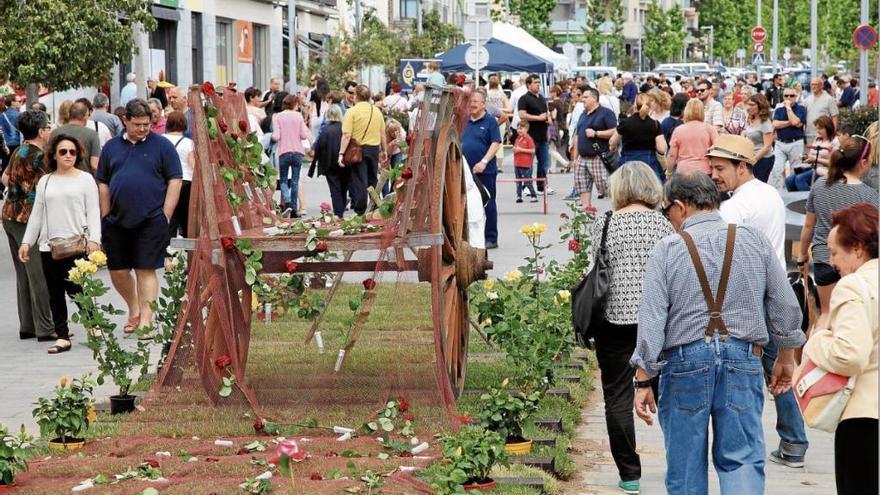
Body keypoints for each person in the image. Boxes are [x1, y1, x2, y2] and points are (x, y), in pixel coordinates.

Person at [631, 171, 805, 495]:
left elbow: (652, 318)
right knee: (741, 460)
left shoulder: (667, 249)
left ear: (680, 207)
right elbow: (784, 304)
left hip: (684, 364)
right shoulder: (754, 240)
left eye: (667, 209)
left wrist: (643, 379)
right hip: (743, 358)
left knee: (684, 466)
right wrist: (785, 356)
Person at [708, 134, 810, 468]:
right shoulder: (767, 193)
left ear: (742, 166)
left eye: (720, 168)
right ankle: (793, 441)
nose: (714, 175)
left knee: (768, 372)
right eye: (712, 168)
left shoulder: (735, 206)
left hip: (754, 297)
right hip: (776, 289)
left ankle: (792, 441)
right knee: (779, 369)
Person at [591, 162, 674, 495]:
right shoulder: (664, 224)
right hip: (658, 320)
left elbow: (594, 268)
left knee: (617, 397)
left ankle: (629, 473)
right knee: (670, 394)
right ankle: (678, 462)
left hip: (613, 320)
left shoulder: (605, 222)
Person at [803, 202, 878, 495]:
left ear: (858, 247)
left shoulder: (853, 286)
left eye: (834, 252)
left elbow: (850, 354)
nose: (831, 262)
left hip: (864, 416)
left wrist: (817, 340)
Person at [96, 99, 183, 335]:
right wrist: (105, 216)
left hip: (151, 218)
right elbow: (103, 183)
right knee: (118, 270)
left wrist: (166, 214)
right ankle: (133, 308)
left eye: (147, 124)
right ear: (126, 120)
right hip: (116, 219)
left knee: (146, 269)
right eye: (138, 124)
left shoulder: (162, 146)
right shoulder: (111, 147)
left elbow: (175, 179)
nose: (143, 128)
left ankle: (146, 318)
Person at [19, 134, 102, 354]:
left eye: (72, 152)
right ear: (54, 155)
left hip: (75, 243)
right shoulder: (46, 180)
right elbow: (37, 213)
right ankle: (62, 336)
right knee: (54, 292)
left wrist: (95, 239)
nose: (68, 156)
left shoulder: (85, 179)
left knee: (75, 288)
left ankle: (93, 324)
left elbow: (93, 211)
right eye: (63, 151)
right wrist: (27, 242)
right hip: (49, 245)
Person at [798, 135, 879, 327]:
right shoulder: (869, 195)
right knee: (852, 317)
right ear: (863, 162)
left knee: (825, 314)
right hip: (855, 262)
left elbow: (809, 225)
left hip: (823, 258)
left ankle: (812, 355)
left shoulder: (820, 185)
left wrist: (802, 255)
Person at [1, 109, 55, 341]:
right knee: (37, 274)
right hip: (27, 219)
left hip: (10, 215)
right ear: (42, 132)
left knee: (23, 274)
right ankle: (45, 327)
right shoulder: (39, 155)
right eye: (48, 126)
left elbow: (4, 177)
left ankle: (27, 325)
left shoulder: (19, 150)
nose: (51, 130)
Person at [461, 89, 501, 249]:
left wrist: (484, 161)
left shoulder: (490, 121)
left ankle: (491, 238)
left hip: (485, 171)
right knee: (466, 204)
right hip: (465, 172)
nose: (472, 104)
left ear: (484, 104)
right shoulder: (464, 122)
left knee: (488, 203)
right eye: (470, 101)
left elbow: (496, 143)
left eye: (476, 101)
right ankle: (468, 238)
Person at [340, 85, 387, 215]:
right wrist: (384, 150)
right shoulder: (376, 111)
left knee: (360, 180)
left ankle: (361, 210)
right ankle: (375, 207)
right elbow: (382, 133)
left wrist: (341, 153)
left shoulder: (352, 112)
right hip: (373, 149)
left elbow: (346, 135)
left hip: (358, 150)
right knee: (373, 179)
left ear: (356, 96)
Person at [570, 87, 617, 206]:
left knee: (607, 188)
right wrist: (575, 158)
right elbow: (577, 136)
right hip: (582, 157)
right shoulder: (583, 114)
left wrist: (597, 133)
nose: (582, 99)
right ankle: (587, 213)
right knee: (583, 186)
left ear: (594, 98)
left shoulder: (606, 113)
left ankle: (617, 212)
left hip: (597, 157)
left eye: (585, 97)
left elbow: (615, 131)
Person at [612, 94, 667, 183]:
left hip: (628, 160)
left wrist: (613, 147)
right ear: (650, 106)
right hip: (649, 161)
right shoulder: (655, 124)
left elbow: (613, 141)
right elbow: (661, 148)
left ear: (635, 105)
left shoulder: (625, 123)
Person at [272, 94, 311, 215]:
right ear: (295, 104)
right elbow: (304, 135)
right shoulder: (298, 116)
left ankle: (287, 202)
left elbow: (276, 136)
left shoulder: (278, 116)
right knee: (295, 180)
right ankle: (294, 209)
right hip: (297, 152)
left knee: (283, 180)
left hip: (284, 152)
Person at [518, 74, 553, 195]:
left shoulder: (542, 98)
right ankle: (527, 187)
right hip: (530, 136)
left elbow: (546, 112)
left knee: (543, 163)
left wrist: (549, 118)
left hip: (542, 136)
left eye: (539, 82)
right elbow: (522, 114)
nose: (538, 84)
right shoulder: (524, 98)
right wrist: (538, 118)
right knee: (527, 163)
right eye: (535, 82)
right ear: (529, 84)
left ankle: (542, 186)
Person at [161, 111, 194, 241]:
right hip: (186, 181)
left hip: (167, 181)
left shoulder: (161, 140)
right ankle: (187, 250)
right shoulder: (188, 143)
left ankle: (167, 249)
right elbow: (193, 164)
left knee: (170, 215)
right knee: (186, 217)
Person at [786, 115, 839, 191]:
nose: (818, 131)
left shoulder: (834, 141)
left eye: (820, 129)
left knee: (800, 179)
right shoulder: (818, 139)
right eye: (817, 128)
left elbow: (834, 162)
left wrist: (815, 159)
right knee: (789, 180)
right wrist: (805, 157)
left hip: (824, 170)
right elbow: (811, 155)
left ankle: (807, 200)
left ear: (828, 128)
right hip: (812, 168)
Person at [313, 105, 347, 218]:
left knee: (334, 188)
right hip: (344, 162)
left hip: (329, 164)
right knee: (343, 187)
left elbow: (318, 146)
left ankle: (338, 213)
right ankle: (341, 209)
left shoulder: (325, 129)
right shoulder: (344, 128)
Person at [668, 98, 718, 175]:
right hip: (705, 171)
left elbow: (672, 155)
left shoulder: (678, 130)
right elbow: (717, 149)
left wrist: (669, 172)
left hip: (683, 171)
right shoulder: (710, 129)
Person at [48, 101, 101, 173]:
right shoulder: (92, 134)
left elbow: (49, 158)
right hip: (83, 180)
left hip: (59, 178)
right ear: (85, 116)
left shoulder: (55, 132)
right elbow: (94, 165)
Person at [771, 87, 807, 187]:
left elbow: (796, 122)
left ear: (795, 97)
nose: (788, 98)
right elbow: (775, 124)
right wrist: (790, 122)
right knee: (777, 169)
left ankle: (793, 193)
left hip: (796, 143)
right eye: (786, 96)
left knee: (795, 170)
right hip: (780, 143)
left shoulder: (801, 109)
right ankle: (778, 190)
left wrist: (788, 108)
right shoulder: (778, 109)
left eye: (791, 96)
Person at [742, 94, 775, 183]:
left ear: (760, 106)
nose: (749, 107)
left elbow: (767, 146)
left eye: (752, 105)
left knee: (759, 187)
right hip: (751, 158)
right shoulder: (750, 120)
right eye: (748, 104)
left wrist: (753, 160)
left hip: (762, 160)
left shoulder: (765, 122)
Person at [804, 77, 839, 144]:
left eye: (815, 84)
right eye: (812, 84)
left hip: (824, 135)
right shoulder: (807, 99)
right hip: (809, 134)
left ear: (821, 86)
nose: (813, 87)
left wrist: (832, 133)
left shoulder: (829, 99)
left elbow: (834, 117)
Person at [512, 121, 538, 203]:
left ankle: (533, 195)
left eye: (521, 128)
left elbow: (533, 150)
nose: (519, 130)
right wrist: (515, 150)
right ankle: (519, 196)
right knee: (518, 181)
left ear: (526, 129)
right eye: (518, 128)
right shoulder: (518, 139)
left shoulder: (528, 139)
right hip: (517, 163)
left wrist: (520, 150)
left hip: (526, 164)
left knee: (527, 181)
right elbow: (516, 148)